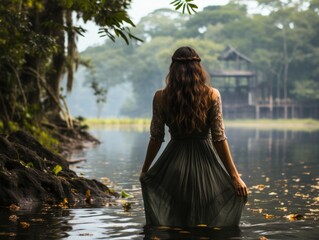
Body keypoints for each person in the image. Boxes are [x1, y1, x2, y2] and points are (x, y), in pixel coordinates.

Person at [140, 46, 248, 227]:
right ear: (199, 69)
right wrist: (235, 177)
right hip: (206, 167)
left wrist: (145, 170)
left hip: (173, 166)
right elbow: (219, 138)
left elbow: (156, 138)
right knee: (203, 220)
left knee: (178, 221)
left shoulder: (160, 97)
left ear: (172, 69)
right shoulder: (212, 95)